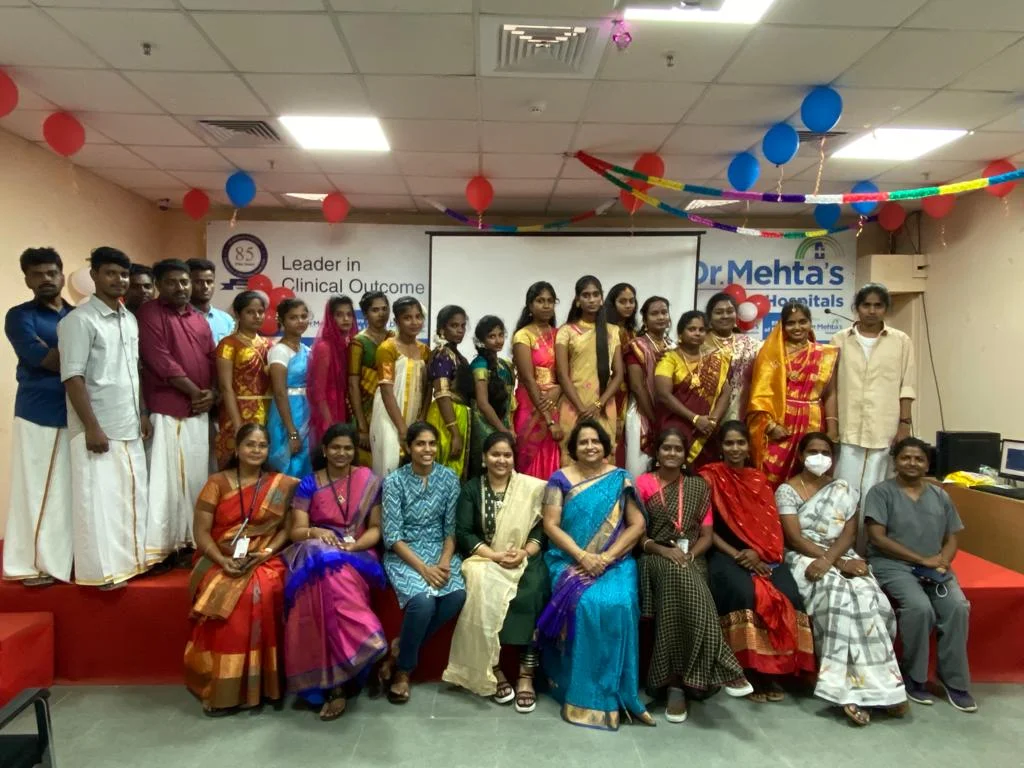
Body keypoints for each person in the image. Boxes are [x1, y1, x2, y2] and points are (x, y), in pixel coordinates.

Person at [776, 432, 907, 726]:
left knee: (870, 598)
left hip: (840, 554)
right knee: (837, 599)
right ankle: (846, 690)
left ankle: (884, 686)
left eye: (825, 452)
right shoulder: (787, 490)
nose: (819, 457)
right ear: (800, 455)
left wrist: (837, 560)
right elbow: (794, 538)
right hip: (803, 556)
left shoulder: (844, 489)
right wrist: (830, 562)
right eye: (813, 451)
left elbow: (848, 534)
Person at [537, 420, 653, 730]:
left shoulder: (620, 478)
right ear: (574, 448)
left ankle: (619, 692)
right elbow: (550, 525)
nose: (590, 446)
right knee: (587, 604)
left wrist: (606, 558)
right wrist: (583, 556)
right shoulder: (559, 480)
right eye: (583, 442)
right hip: (569, 559)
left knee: (620, 604)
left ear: (606, 446)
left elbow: (637, 525)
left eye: (595, 441)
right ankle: (581, 692)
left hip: (615, 561)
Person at [636, 428, 752, 723]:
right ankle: (726, 666)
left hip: (692, 557)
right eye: (666, 448)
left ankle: (675, 684)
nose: (672, 453)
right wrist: (665, 551)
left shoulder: (698, 486)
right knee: (682, 577)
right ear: (657, 452)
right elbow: (638, 535)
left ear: (685, 455)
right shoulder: (643, 483)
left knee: (684, 580)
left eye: (678, 449)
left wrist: (689, 555)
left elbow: (707, 536)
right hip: (655, 556)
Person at [184, 423, 298, 715]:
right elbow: (201, 532)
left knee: (265, 587)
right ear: (236, 449)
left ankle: (266, 685)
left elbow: (287, 530)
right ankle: (225, 691)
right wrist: (222, 561)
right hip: (216, 557)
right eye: (250, 444)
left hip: (264, 556)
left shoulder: (279, 485)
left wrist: (265, 553)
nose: (256, 450)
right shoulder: (216, 483)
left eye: (262, 445)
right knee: (239, 596)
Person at [699, 421, 816, 702]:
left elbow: (771, 526)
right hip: (724, 552)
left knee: (788, 593)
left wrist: (758, 554)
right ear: (721, 447)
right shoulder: (709, 477)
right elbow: (708, 530)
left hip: (763, 554)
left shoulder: (758, 480)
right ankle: (748, 670)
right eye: (729, 443)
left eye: (740, 442)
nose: (735, 448)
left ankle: (778, 670)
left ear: (748, 446)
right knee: (745, 593)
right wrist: (739, 555)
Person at [58, 247, 151, 589]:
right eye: (110, 273)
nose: (119, 280)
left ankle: (128, 564)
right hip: (98, 427)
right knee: (96, 502)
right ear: (94, 275)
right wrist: (92, 427)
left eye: (123, 274)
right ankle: (100, 573)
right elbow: (73, 377)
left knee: (128, 497)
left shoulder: (129, 318)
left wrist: (142, 412)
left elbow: (134, 371)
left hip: (129, 423)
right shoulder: (79, 321)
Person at [283, 424, 387, 721]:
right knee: (322, 573)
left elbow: (375, 530)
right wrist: (316, 532)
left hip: (358, 551)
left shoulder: (368, 481)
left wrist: (352, 547)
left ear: (355, 451)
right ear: (325, 450)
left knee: (329, 574)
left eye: (348, 448)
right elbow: (296, 532)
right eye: (336, 448)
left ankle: (337, 685)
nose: (342, 453)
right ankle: (367, 644)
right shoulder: (309, 484)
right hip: (314, 551)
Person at [865, 437, 976, 713]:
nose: (912, 463)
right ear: (895, 461)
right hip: (892, 564)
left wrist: (943, 562)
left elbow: (951, 537)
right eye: (906, 458)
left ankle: (954, 681)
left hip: (935, 566)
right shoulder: (881, 493)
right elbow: (877, 538)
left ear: (927, 464)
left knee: (958, 607)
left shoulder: (940, 495)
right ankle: (914, 676)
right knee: (919, 608)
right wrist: (920, 559)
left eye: (919, 459)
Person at [443, 433, 548, 713]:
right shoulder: (471, 489)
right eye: (495, 454)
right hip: (485, 558)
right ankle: (494, 669)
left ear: (514, 458)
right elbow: (464, 532)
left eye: (507, 455)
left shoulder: (530, 488)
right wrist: (494, 556)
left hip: (525, 558)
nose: (501, 460)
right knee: (480, 588)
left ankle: (526, 676)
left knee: (533, 589)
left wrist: (524, 552)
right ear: (484, 458)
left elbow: (541, 528)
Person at [380, 422, 466, 704]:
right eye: (420, 444)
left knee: (456, 596)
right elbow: (392, 536)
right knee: (423, 602)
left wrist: (444, 562)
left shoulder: (449, 478)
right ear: (408, 448)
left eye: (432, 443)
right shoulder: (394, 482)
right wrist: (424, 569)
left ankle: (398, 650)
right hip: (405, 553)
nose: (427, 449)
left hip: (440, 551)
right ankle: (404, 670)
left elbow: (451, 530)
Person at [3, 247, 73, 585]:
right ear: (27, 280)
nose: (45, 279)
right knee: (35, 490)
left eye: (51, 273)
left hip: (77, 413)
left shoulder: (76, 315)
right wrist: (81, 353)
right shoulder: (20, 317)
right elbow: (48, 361)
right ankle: (31, 564)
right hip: (38, 411)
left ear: (61, 275)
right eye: (37, 274)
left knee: (67, 492)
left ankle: (63, 559)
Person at [139, 259, 215, 564]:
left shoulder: (198, 318)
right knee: (166, 483)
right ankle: (162, 549)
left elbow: (212, 359)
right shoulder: (150, 314)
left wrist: (213, 394)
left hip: (199, 411)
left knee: (196, 479)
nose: (180, 287)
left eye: (184, 282)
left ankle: (189, 543)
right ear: (158, 285)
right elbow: (160, 360)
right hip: (168, 410)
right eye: (171, 282)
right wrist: (197, 392)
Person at [831, 283, 916, 550]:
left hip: (884, 430)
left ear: (886, 309)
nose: (871, 310)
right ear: (857, 307)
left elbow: (907, 386)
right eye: (866, 305)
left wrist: (904, 424)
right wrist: (831, 425)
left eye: (878, 305)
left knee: (875, 494)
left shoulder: (901, 341)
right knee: (843, 493)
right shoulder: (839, 340)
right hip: (848, 429)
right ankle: (841, 551)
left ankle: (871, 551)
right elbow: (830, 388)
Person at [747, 301, 838, 488]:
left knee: (812, 471)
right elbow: (759, 394)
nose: (797, 327)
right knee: (770, 475)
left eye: (802, 321)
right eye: (791, 323)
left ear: (810, 323)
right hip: (781, 423)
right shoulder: (771, 354)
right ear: (783, 325)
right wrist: (770, 425)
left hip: (813, 422)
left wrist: (832, 428)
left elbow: (830, 394)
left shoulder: (825, 354)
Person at [555, 276, 624, 464]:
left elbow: (618, 374)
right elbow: (562, 375)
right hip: (573, 405)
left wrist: (599, 404)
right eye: (586, 295)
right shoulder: (566, 331)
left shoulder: (612, 331)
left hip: (604, 406)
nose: (591, 299)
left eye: (595, 295)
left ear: (601, 298)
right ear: (578, 300)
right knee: (572, 458)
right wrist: (581, 408)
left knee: (604, 458)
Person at [655, 310, 731, 469]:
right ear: (680, 333)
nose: (697, 333)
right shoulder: (669, 359)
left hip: (706, 431)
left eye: (701, 329)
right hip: (676, 427)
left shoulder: (716, 359)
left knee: (705, 473)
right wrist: (695, 419)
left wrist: (712, 421)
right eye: (692, 329)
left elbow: (726, 392)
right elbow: (663, 395)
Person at [369, 297, 430, 477]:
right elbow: (386, 391)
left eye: (418, 317)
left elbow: (428, 388)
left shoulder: (425, 350)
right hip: (388, 416)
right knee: (390, 464)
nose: (414, 322)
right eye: (407, 318)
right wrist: (402, 429)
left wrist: (423, 417)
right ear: (396, 321)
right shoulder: (387, 348)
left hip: (415, 417)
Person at [214, 291, 271, 468]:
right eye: (250, 312)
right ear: (238, 314)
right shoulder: (228, 344)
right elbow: (225, 387)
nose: (257, 316)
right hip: (237, 410)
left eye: (260, 312)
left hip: (267, 411)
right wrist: (237, 423)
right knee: (235, 462)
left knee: (264, 463)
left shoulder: (269, 345)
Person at [512, 282, 563, 480]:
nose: (546, 305)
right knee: (529, 462)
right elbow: (527, 378)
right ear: (530, 305)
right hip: (530, 403)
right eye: (540, 301)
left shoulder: (560, 334)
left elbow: (567, 373)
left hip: (557, 403)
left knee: (553, 458)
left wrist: (559, 389)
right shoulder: (523, 335)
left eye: (550, 301)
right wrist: (549, 421)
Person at [624, 296, 672, 477]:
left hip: (668, 414)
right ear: (644, 319)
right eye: (654, 313)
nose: (660, 317)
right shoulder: (636, 346)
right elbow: (637, 387)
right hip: (641, 413)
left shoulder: (674, 346)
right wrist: (653, 419)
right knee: (639, 469)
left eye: (664, 312)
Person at [425, 305, 472, 479]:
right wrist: (454, 433)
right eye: (454, 325)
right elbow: (442, 395)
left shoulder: (456, 354)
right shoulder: (443, 355)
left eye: (463, 326)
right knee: (445, 470)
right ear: (441, 329)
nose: (460, 330)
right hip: (446, 418)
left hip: (457, 414)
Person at [267, 298, 312, 477]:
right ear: (282, 321)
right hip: (287, 412)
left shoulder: (306, 350)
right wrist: (292, 432)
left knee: (306, 462)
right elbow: (279, 392)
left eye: (303, 316)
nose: (300, 321)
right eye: (293, 317)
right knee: (289, 463)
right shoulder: (279, 351)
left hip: (306, 410)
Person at [468, 315, 515, 477]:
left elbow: (510, 402)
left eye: (501, 335)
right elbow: (482, 403)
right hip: (483, 426)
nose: (498, 340)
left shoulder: (505, 365)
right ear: (482, 340)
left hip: (504, 425)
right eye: (492, 336)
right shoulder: (479, 364)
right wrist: (503, 431)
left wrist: (510, 428)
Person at [349, 291, 392, 466]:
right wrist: (362, 426)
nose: (381, 314)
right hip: (366, 412)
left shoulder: (394, 339)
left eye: (384, 309)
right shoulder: (358, 342)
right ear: (365, 314)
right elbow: (353, 385)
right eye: (375, 310)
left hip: (391, 411)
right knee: (367, 468)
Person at [308, 295, 358, 449]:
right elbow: (319, 392)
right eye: (339, 315)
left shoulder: (350, 344)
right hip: (330, 408)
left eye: (349, 314)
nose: (346, 319)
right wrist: (329, 423)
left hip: (347, 406)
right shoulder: (324, 347)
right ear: (331, 318)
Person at [703, 292, 760, 422]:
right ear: (709, 317)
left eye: (730, 311)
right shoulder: (698, 344)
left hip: (738, 415)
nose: (725, 316)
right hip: (703, 415)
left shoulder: (751, 345)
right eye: (719, 312)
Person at [604, 283, 637, 467]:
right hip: (610, 391)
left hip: (632, 394)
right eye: (622, 301)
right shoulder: (606, 331)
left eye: (631, 301)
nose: (628, 305)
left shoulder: (635, 333)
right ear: (612, 304)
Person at [187, 258, 234, 345]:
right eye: (198, 282)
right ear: (188, 283)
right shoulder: (179, 319)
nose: (205, 286)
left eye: (209, 282)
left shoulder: (226, 320)